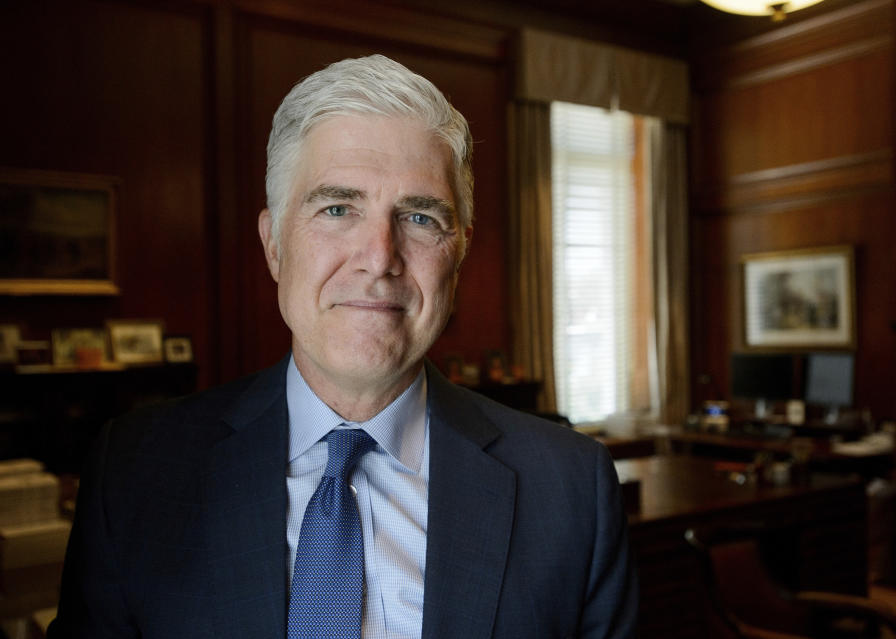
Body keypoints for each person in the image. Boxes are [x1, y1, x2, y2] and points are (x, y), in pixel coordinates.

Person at [49, 54, 637, 639]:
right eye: (337, 208)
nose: (380, 258)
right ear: (274, 245)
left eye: (420, 218)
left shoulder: (569, 487)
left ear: (458, 254)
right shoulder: (135, 472)